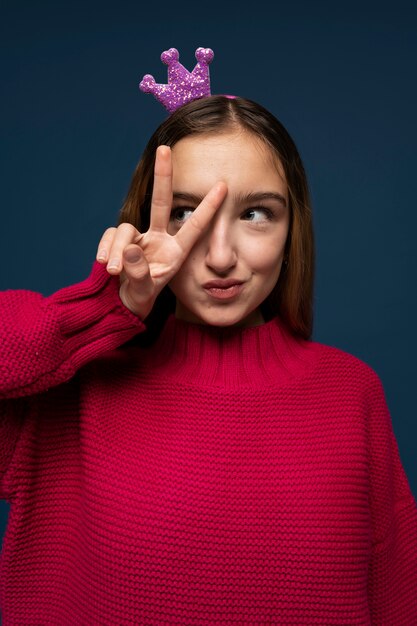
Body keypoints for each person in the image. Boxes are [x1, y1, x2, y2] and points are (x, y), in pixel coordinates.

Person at [0, 47, 416, 625]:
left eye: (256, 214)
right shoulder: (69, 391)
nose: (220, 257)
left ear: (292, 227)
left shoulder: (351, 394)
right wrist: (103, 308)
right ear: (149, 221)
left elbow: (400, 599)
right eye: (186, 214)